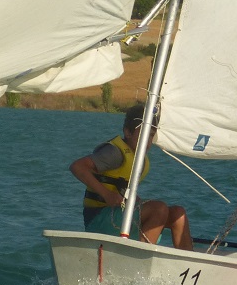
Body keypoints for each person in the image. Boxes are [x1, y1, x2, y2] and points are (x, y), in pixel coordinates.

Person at [70, 104, 193, 250]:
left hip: (119, 215)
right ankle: (137, 258)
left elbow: (122, 187)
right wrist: (107, 194)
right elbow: (77, 167)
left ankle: (190, 266)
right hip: (98, 218)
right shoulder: (114, 153)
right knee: (158, 209)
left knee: (178, 214)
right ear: (127, 132)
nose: (147, 141)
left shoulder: (140, 159)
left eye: (151, 135)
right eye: (142, 134)